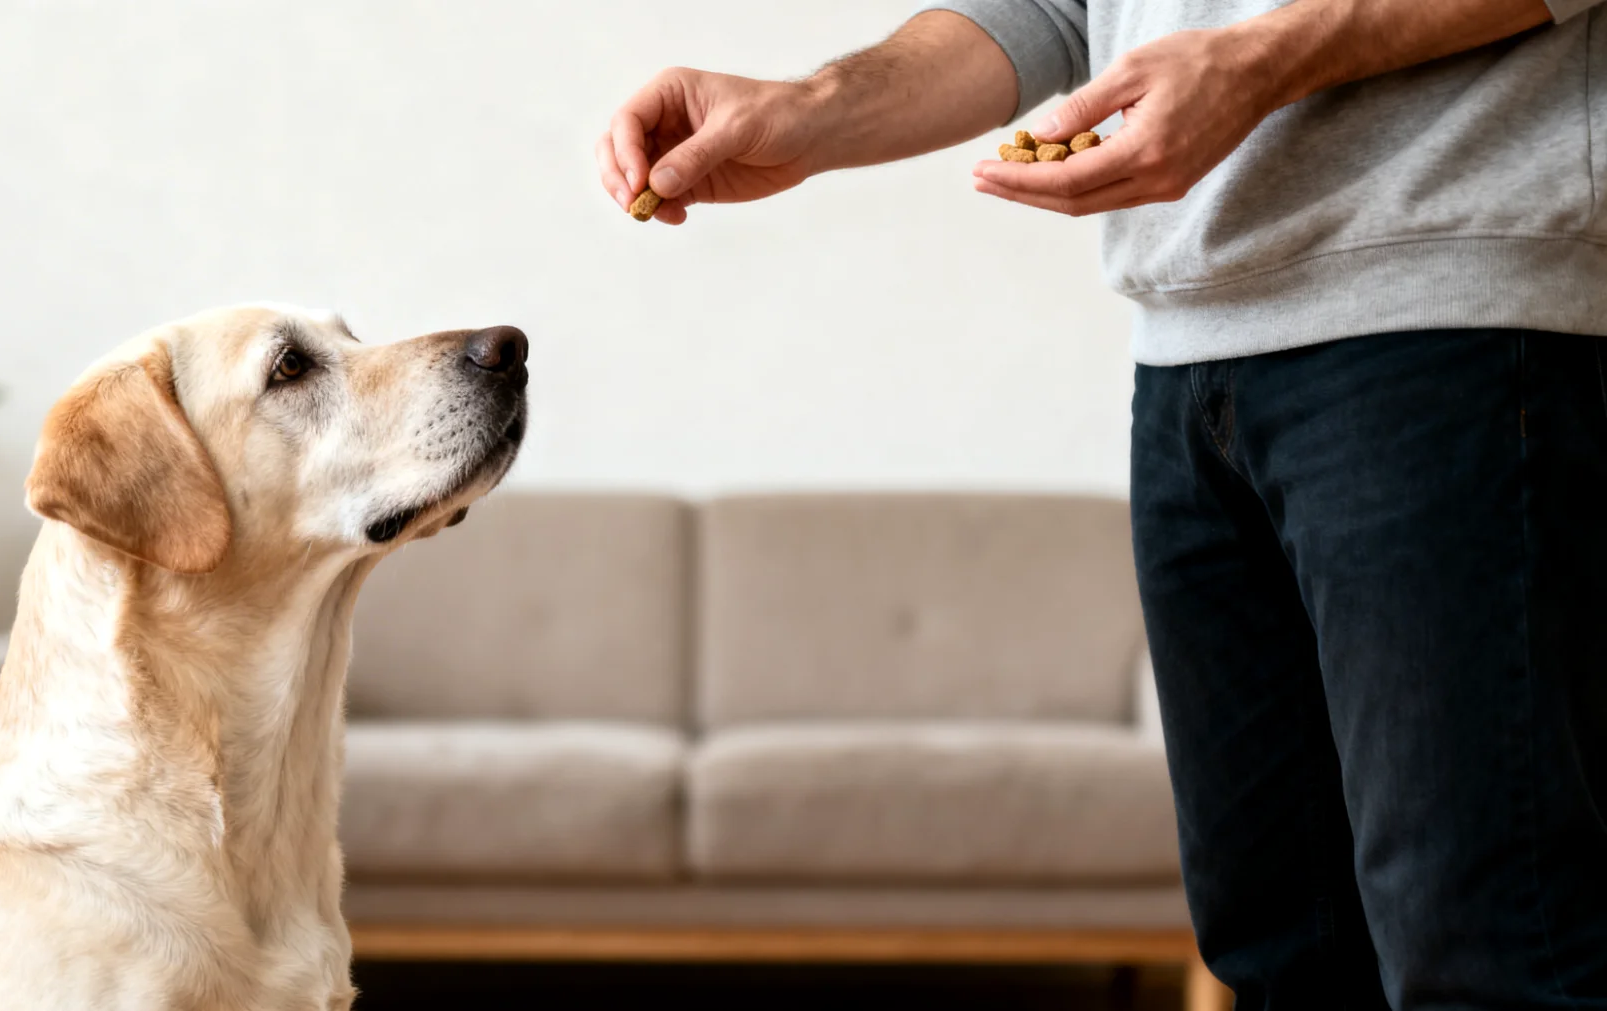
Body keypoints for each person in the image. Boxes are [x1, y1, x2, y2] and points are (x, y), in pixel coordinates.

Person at [597, 1, 1607, 1007]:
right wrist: (809, 108)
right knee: (1280, 958)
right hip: (1185, 365)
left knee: (1486, 956)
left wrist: (1256, 61)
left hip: (1453, 332)